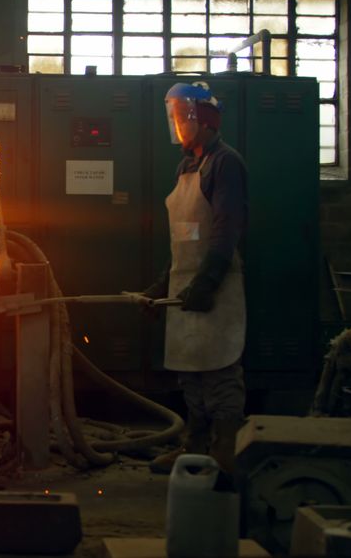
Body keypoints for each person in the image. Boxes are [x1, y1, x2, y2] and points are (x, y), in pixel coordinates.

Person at [143, 82, 248, 475]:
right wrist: (161, 285)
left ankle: (224, 451)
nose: (176, 125)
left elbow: (225, 232)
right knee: (190, 374)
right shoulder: (186, 165)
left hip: (215, 287)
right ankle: (195, 446)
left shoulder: (226, 163)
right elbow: (184, 240)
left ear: (202, 118)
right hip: (184, 283)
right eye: (172, 116)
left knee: (219, 372)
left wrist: (206, 284)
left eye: (180, 116)